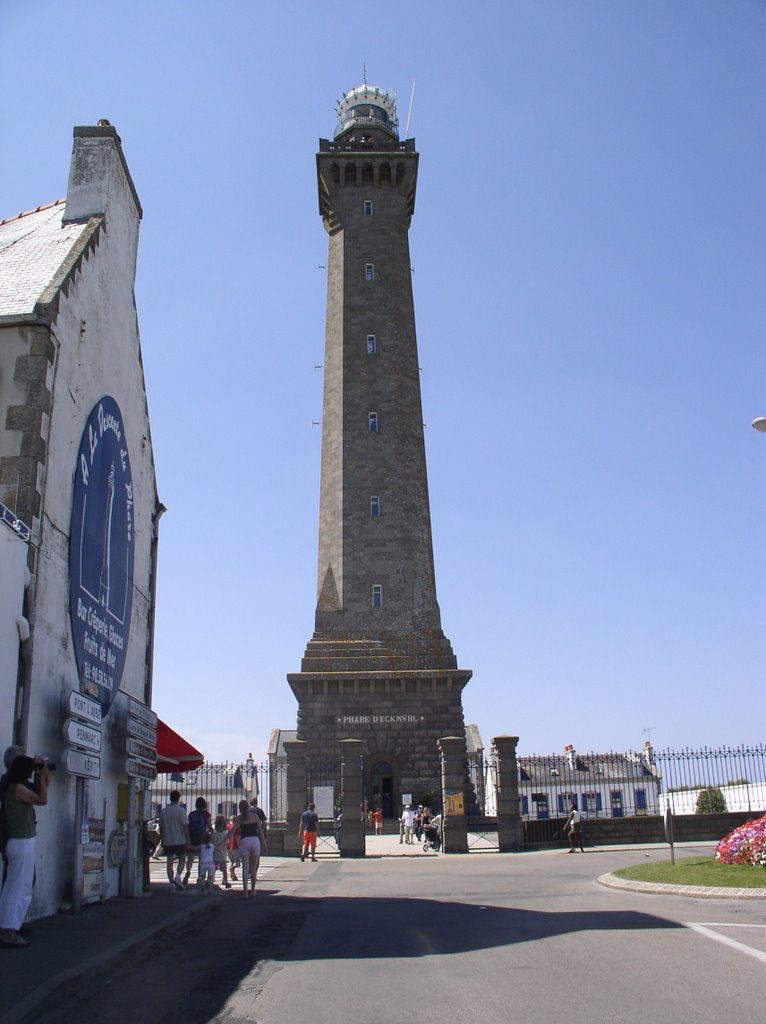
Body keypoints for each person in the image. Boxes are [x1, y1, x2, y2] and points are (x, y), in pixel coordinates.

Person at [0, 754, 50, 946]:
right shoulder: (17, 788)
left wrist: (42, 776)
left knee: (14, 887)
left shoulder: (12, 786)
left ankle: (9, 927)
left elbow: (40, 792)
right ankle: (8, 933)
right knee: (19, 889)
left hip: (19, 842)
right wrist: (42, 776)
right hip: (21, 842)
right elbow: (42, 799)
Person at [235, 799, 267, 898]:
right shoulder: (255, 816)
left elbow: (232, 831)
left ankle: (245, 892)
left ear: (240, 808)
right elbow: (261, 831)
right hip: (255, 841)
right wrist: (264, 844)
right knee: (253, 869)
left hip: (245, 841)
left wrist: (222, 841)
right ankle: (253, 890)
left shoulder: (239, 818)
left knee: (245, 868)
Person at [159, 790, 189, 891]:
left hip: (168, 839)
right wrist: (187, 839)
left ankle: (171, 883)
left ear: (170, 798)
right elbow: (185, 826)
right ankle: (177, 877)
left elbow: (161, 828)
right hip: (179, 839)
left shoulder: (163, 811)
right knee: (182, 859)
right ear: (178, 798)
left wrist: (162, 839)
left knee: (169, 862)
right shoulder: (181, 811)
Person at [185, 796, 211, 886]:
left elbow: (188, 826)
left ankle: (188, 872)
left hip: (192, 837)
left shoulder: (191, 814)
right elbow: (209, 826)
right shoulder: (206, 814)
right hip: (202, 837)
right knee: (201, 859)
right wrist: (212, 834)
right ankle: (200, 877)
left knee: (190, 858)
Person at [212, 816, 231, 888]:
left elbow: (212, 843)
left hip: (215, 854)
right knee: (224, 870)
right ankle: (225, 881)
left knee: (213, 869)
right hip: (222, 854)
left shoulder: (214, 835)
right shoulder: (224, 835)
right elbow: (227, 843)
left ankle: (211, 879)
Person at [227, 815, 241, 881]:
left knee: (231, 861)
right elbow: (237, 837)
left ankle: (232, 875)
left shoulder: (227, 826)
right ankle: (232, 869)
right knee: (237, 862)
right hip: (234, 846)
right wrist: (240, 846)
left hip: (227, 846)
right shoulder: (236, 827)